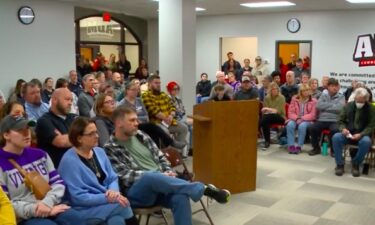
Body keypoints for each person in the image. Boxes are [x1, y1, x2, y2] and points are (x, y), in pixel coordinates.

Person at [104, 106, 231, 225]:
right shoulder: (109, 148)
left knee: (180, 197)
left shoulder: (141, 136)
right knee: (149, 177)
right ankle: (202, 188)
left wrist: (168, 172)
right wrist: (159, 175)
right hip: (138, 193)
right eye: (132, 120)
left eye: (136, 119)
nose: (137, 123)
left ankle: (197, 189)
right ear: (119, 123)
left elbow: (160, 157)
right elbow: (124, 175)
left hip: (161, 185)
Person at [0, 115, 85, 225]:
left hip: (50, 204)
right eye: (20, 130)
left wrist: (47, 203)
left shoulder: (40, 154)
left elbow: (58, 183)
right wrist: (37, 209)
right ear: (6, 135)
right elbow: (4, 203)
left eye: (27, 128)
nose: (27, 133)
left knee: (76, 218)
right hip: (23, 216)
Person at [58, 117, 136, 225]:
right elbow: (78, 198)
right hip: (83, 209)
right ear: (79, 138)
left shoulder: (99, 151)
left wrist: (114, 192)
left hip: (107, 202)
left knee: (117, 220)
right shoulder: (68, 161)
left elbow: (112, 178)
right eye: (91, 134)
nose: (97, 136)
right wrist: (109, 198)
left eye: (96, 132)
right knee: (123, 204)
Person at [119, 83, 185, 150]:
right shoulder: (122, 104)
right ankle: (170, 143)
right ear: (127, 91)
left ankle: (157, 152)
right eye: (133, 90)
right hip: (133, 125)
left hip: (145, 123)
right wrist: (137, 120)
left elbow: (145, 114)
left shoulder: (139, 100)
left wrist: (141, 119)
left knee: (153, 131)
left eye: (137, 90)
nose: (135, 92)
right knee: (153, 127)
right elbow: (126, 119)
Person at [332, 87, 375, 177]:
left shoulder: (371, 108)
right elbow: (340, 120)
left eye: (361, 101)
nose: (359, 103)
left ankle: (356, 164)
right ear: (354, 98)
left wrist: (361, 134)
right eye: (357, 101)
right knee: (336, 137)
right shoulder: (348, 106)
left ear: (366, 99)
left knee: (366, 142)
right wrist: (343, 129)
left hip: (363, 134)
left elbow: (371, 125)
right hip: (348, 133)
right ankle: (340, 164)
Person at [141, 75, 188, 147]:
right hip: (156, 123)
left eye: (159, 83)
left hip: (169, 121)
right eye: (156, 83)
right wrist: (166, 118)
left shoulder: (163, 94)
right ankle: (165, 153)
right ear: (149, 84)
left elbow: (172, 106)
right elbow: (154, 111)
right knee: (165, 132)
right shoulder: (146, 95)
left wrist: (171, 116)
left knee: (184, 128)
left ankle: (176, 152)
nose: (158, 85)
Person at [36, 88, 77, 167]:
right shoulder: (44, 121)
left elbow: (91, 137)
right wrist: (81, 135)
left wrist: (69, 137)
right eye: (67, 99)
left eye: (71, 100)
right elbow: (61, 142)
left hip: (78, 163)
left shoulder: (74, 117)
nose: (70, 103)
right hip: (60, 168)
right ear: (54, 100)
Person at [308, 78, 345, 156]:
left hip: (335, 120)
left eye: (335, 86)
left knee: (335, 130)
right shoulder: (323, 95)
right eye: (332, 86)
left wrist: (325, 106)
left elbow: (339, 108)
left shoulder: (341, 97)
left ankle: (333, 151)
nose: (334, 88)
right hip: (322, 119)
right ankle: (316, 148)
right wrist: (333, 105)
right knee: (312, 128)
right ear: (328, 87)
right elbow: (318, 106)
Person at [286, 84, 317, 154]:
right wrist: (297, 118)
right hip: (295, 119)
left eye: (307, 90)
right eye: (304, 91)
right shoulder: (295, 99)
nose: (306, 92)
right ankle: (291, 146)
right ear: (301, 92)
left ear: (310, 91)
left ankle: (299, 146)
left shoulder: (314, 101)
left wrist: (302, 118)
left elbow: (313, 115)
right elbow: (290, 112)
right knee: (290, 125)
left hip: (307, 120)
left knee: (302, 126)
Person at [260, 82, 286, 149]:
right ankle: (267, 141)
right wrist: (268, 110)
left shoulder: (281, 97)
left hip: (280, 117)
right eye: (272, 89)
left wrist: (268, 109)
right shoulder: (267, 98)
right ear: (270, 90)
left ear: (278, 90)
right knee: (266, 119)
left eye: (276, 89)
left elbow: (277, 111)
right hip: (268, 117)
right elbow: (264, 111)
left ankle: (266, 140)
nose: (274, 90)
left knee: (265, 118)